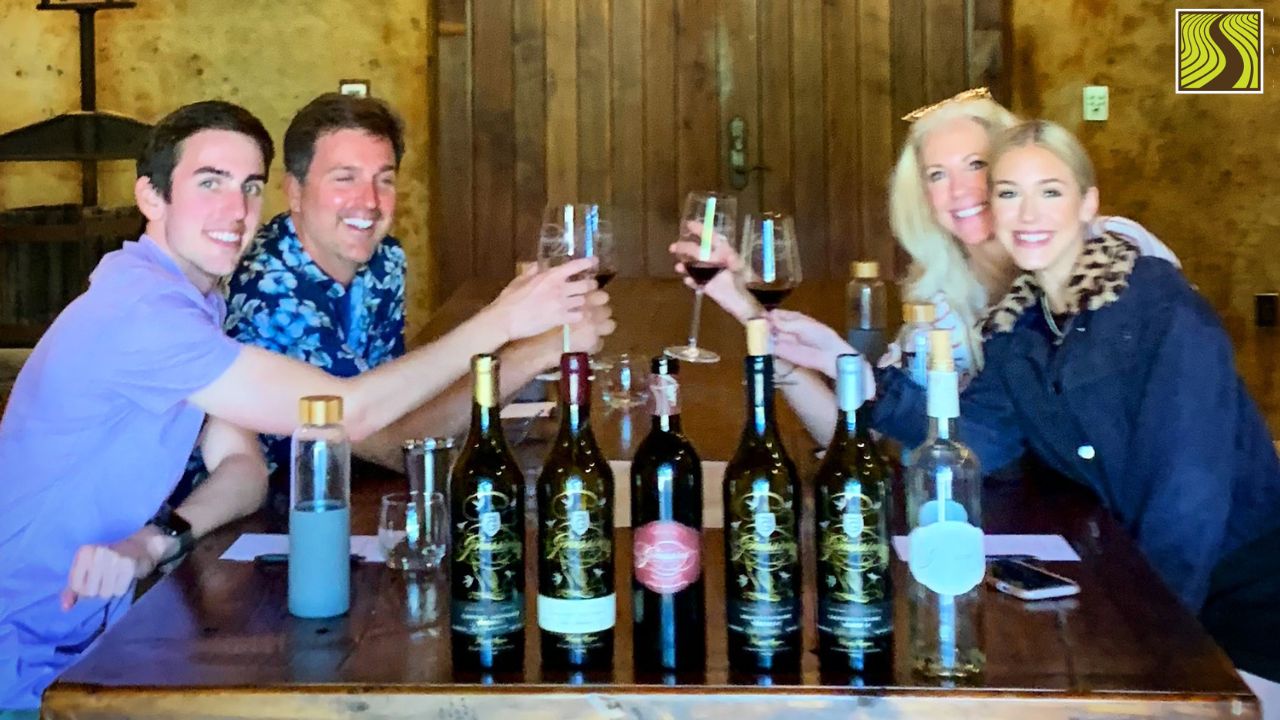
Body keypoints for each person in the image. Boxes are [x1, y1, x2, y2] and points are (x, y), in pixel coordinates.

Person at [0, 100, 595, 712]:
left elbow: (242, 468)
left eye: (249, 186)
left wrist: (156, 539)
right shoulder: (143, 312)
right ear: (151, 197)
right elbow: (344, 414)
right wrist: (504, 323)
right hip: (26, 662)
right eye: (210, 183)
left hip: (100, 635)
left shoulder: (192, 300)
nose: (237, 210)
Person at [779, 119, 1280, 716]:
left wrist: (1148, 647)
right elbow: (978, 441)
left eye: (1050, 191)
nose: (1028, 213)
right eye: (1010, 194)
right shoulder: (1020, 328)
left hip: (1243, 602)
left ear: (1087, 204)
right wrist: (844, 364)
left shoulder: (1157, 305)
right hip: (1137, 586)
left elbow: (1187, 501)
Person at [173, 93, 613, 505]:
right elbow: (391, 444)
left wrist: (524, 342)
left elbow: (403, 403)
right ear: (294, 191)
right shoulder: (269, 288)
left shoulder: (383, 261)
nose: (369, 202)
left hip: (351, 493)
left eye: (383, 180)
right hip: (260, 520)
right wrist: (532, 349)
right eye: (345, 178)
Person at [674, 88, 1177, 445]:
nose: (961, 190)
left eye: (977, 165)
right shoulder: (941, 306)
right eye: (938, 175)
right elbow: (867, 434)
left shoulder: (1111, 251)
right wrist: (747, 310)